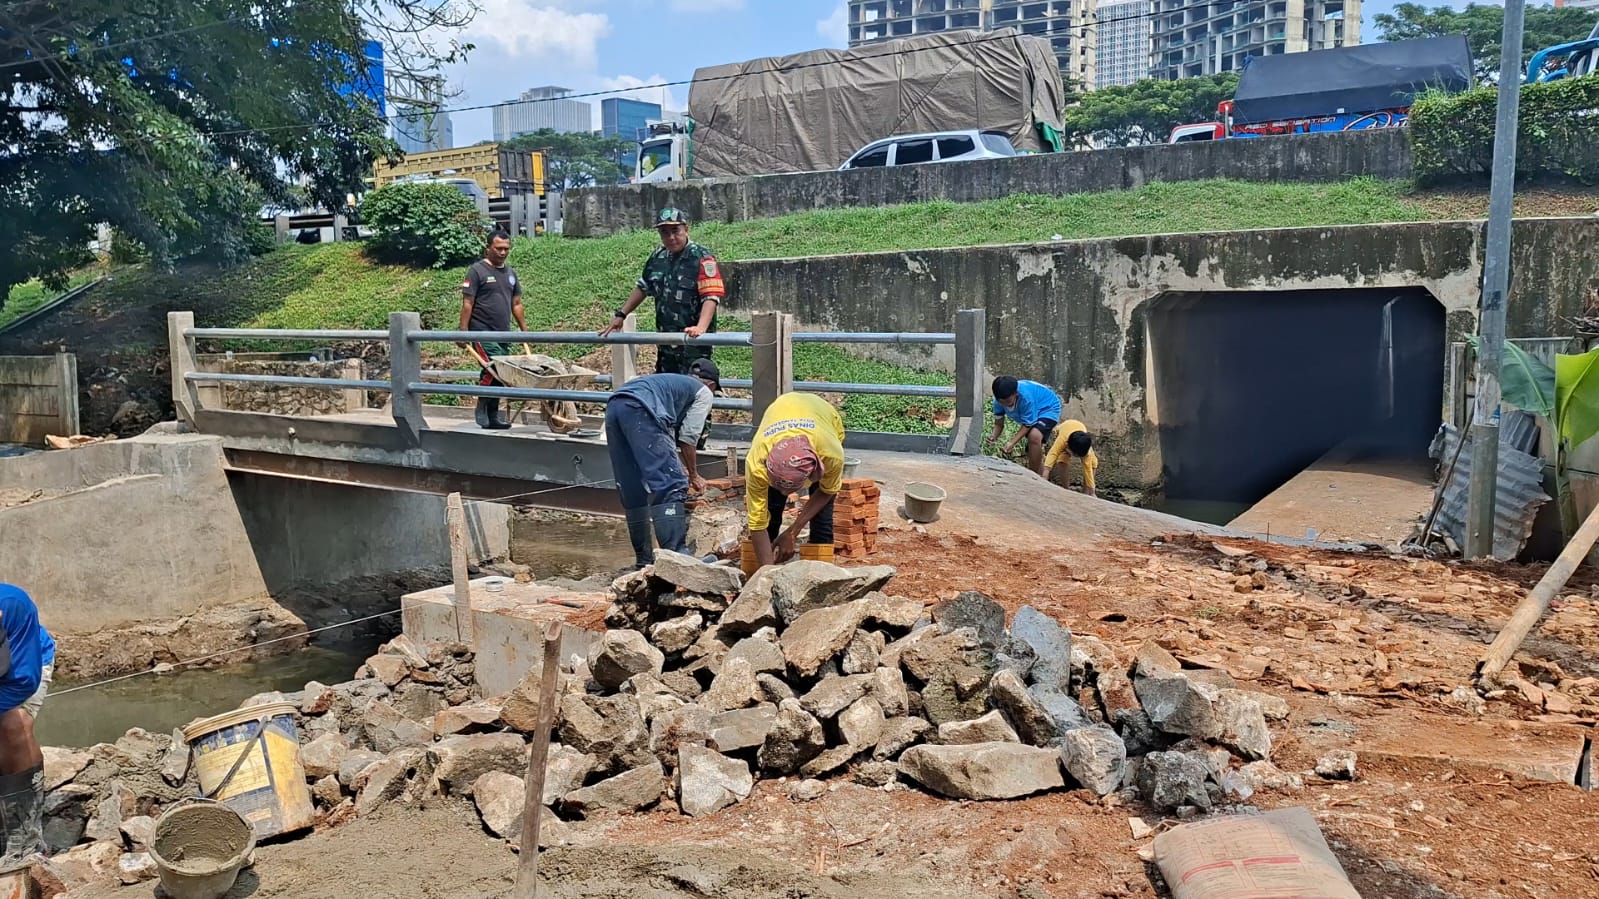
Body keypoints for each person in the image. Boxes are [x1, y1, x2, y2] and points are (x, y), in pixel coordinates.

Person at [604, 360, 723, 569]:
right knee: (671, 485)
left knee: (631, 486)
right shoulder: (704, 392)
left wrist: (675, 463)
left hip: (615, 405)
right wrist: (693, 475)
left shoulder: (671, 385)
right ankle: (677, 558)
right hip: (642, 409)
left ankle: (644, 560)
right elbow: (688, 438)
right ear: (712, 385)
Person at [600, 207, 724, 376]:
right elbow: (643, 287)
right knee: (666, 387)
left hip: (693, 345)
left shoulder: (701, 257)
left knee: (692, 388)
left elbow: (711, 296)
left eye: (675, 231)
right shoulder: (658, 257)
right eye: (665, 232)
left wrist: (700, 327)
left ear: (686, 229)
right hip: (666, 345)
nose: (671, 237)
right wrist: (621, 315)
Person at [745, 392, 846, 569]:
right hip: (781, 407)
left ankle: (820, 574)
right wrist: (766, 576)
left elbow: (827, 491)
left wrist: (792, 532)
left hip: (823, 414)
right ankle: (760, 568)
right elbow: (757, 523)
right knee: (771, 510)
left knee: (822, 520)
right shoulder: (756, 463)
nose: (787, 494)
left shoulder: (831, 455)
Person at [0, 584, 54, 865]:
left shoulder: (12, 604)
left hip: (23, 662)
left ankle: (25, 838)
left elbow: (22, 681)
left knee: (12, 724)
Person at [459, 230, 527, 430]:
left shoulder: (510, 273)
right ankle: (482, 404)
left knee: (503, 373)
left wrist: (525, 331)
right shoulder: (477, 271)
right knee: (493, 368)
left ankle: (493, 416)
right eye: (498, 248)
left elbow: (516, 303)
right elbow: (467, 303)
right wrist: (462, 331)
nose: (503, 252)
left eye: (506, 249)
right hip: (482, 331)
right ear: (488, 247)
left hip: (503, 332)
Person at [988, 376, 1063, 477]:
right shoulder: (998, 402)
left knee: (1034, 436)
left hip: (1048, 408)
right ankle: (1041, 477)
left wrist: (1011, 443)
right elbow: (998, 424)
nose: (1005, 405)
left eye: (1008, 402)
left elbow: (1027, 424)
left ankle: (1033, 476)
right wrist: (993, 437)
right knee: (1034, 444)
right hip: (1034, 410)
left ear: (1016, 393)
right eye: (1002, 402)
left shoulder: (1026, 398)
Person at [1043, 420, 1100, 498]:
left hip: (1079, 433)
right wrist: (1045, 476)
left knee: (1093, 463)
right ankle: (1066, 489)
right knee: (1062, 460)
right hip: (1064, 430)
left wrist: (1092, 491)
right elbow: (1052, 454)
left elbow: (1088, 470)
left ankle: (1087, 493)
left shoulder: (1087, 452)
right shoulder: (1063, 440)